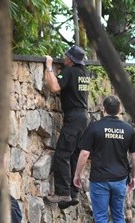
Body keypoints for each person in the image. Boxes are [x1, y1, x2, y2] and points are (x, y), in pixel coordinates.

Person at [73, 95, 135, 223]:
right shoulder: (128, 129)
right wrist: (133, 176)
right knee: (118, 216)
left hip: (100, 179)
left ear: (103, 108)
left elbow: (84, 153)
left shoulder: (95, 127)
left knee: (101, 217)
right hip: (120, 180)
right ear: (119, 109)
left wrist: (77, 174)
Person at [44, 45, 91, 209]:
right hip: (84, 118)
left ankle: (63, 192)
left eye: (66, 57)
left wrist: (49, 67)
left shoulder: (70, 71)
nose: (63, 59)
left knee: (62, 154)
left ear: (70, 59)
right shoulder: (85, 73)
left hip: (74, 118)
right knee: (74, 156)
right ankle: (73, 193)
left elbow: (55, 87)